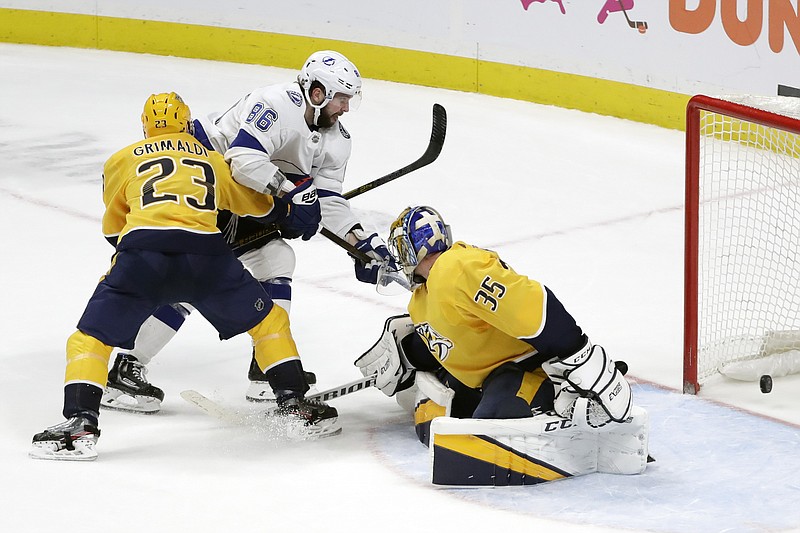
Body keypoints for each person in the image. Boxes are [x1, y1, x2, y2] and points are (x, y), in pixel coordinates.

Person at [30, 92, 338, 461]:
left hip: (141, 257)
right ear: (187, 123)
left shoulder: (121, 159)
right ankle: (294, 404)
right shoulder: (211, 159)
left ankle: (81, 423)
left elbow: (114, 227)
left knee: (89, 340)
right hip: (207, 259)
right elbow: (253, 205)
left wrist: (135, 262)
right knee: (269, 322)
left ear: (145, 125)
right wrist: (287, 211)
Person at [101, 50, 397, 413]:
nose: (345, 108)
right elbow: (243, 162)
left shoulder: (338, 139)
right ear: (316, 92)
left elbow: (327, 200)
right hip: (203, 182)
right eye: (341, 98)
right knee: (195, 276)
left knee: (277, 257)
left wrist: (362, 243)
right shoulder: (274, 104)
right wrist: (292, 196)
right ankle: (126, 368)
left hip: (246, 195)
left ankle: (267, 368)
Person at [355, 206, 634, 441]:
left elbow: (530, 305)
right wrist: (408, 354)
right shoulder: (425, 293)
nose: (399, 257)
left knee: (484, 433)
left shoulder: (457, 266)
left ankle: (566, 396)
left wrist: (579, 353)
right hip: (485, 378)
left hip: (524, 369)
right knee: (442, 425)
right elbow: (455, 331)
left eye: (401, 248)